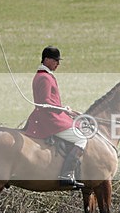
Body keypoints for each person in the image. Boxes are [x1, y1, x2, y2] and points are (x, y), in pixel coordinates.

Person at [24, 46, 86, 189]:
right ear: (46, 60)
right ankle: (67, 175)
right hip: (50, 119)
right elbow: (46, 102)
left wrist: (66, 110)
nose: (58, 64)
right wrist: (63, 109)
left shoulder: (43, 75)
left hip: (51, 115)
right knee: (82, 138)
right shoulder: (45, 77)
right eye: (55, 61)